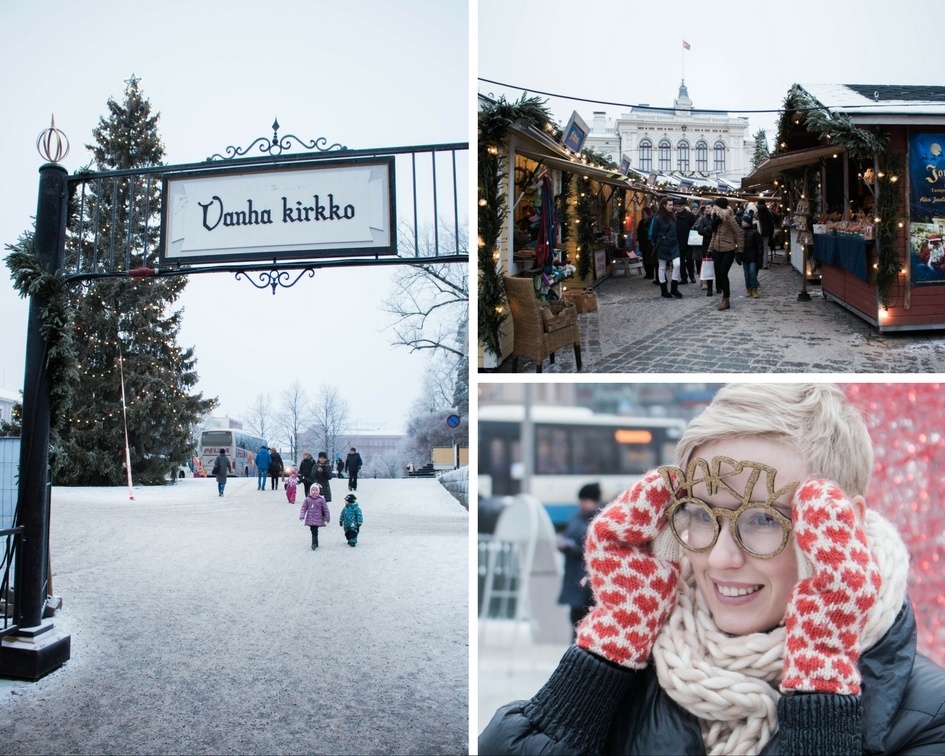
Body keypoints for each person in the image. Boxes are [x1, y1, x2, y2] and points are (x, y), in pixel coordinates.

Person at [479, 383, 945, 755]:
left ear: (845, 527)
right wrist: (608, 645)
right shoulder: (631, 657)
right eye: (700, 514)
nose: (721, 558)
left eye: (765, 519)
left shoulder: (928, 715)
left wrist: (822, 677)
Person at [556, 483, 603, 640]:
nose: (581, 503)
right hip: (574, 576)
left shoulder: (597, 519)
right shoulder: (577, 518)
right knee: (575, 620)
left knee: (585, 620)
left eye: (584, 499)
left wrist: (572, 548)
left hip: (588, 581)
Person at [708, 197, 744, 311]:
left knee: (723, 273)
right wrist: (710, 249)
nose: (713, 207)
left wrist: (740, 251)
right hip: (716, 250)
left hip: (728, 249)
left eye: (715, 206)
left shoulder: (728, 218)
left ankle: (726, 299)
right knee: (718, 274)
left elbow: (738, 233)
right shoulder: (715, 219)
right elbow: (714, 235)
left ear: (719, 207)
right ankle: (724, 295)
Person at [651, 198, 683, 299]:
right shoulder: (657, 218)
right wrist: (659, 242)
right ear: (664, 205)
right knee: (662, 267)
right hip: (663, 244)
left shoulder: (674, 216)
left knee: (677, 264)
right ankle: (664, 290)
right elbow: (654, 234)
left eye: (672, 205)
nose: (672, 206)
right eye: (669, 205)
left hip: (674, 244)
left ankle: (674, 288)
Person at [299, 483, 330, 550]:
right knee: (313, 530)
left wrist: (327, 517)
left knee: (314, 530)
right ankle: (315, 542)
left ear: (318, 491)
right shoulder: (307, 499)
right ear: (310, 491)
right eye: (313, 490)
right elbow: (304, 508)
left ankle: (314, 543)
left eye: (316, 490)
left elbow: (325, 509)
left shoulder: (321, 500)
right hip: (310, 518)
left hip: (318, 518)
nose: (314, 491)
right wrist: (302, 516)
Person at [673, 200, 697, 285]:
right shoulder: (675, 216)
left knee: (690, 260)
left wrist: (693, 240)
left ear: (683, 206)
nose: (678, 208)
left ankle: (692, 276)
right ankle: (684, 277)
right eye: (677, 206)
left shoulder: (690, 215)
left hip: (688, 241)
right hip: (678, 242)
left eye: (680, 206)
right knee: (681, 262)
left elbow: (694, 227)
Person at [740, 213, 764, 299]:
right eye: (742, 221)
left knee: (752, 272)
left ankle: (754, 289)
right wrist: (738, 254)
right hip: (744, 257)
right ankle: (748, 288)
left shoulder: (755, 232)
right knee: (746, 274)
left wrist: (760, 257)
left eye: (745, 221)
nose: (743, 222)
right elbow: (738, 244)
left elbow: (759, 246)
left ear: (749, 222)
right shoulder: (741, 232)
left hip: (753, 256)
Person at [636, 206, 655, 281]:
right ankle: (647, 273)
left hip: (649, 243)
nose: (642, 215)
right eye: (641, 213)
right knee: (644, 258)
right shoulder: (641, 222)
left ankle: (651, 273)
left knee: (649, 258)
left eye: (643, 213)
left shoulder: (651, 221)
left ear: (648, 214)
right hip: (643, 243)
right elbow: (639, 231)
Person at [757, 199, 775, 268]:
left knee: (758, 248)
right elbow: (771, 224)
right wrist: (771, 233)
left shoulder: (756, 212)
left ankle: (759, 264)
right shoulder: (767, 212)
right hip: (766, 233)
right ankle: (765, 264)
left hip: (758, 232)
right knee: (765, 248)